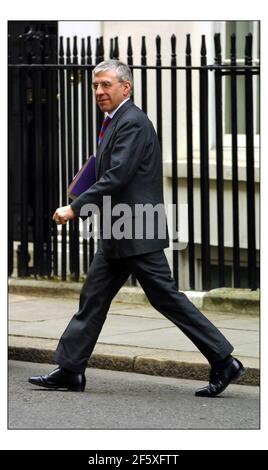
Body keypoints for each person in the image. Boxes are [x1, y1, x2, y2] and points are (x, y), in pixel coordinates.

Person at [29, 60, 244, 397]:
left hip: (137, 229)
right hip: (119, 227)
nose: (99, 91)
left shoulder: (132, 123)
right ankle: (70, 369)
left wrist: (75, 207)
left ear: (125, 88)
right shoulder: (115, 122)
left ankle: (223, 360)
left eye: (106, 85)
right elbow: (106, 170)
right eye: (96, 86)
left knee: (167, 299)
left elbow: (118, 176)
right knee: (93, 298)